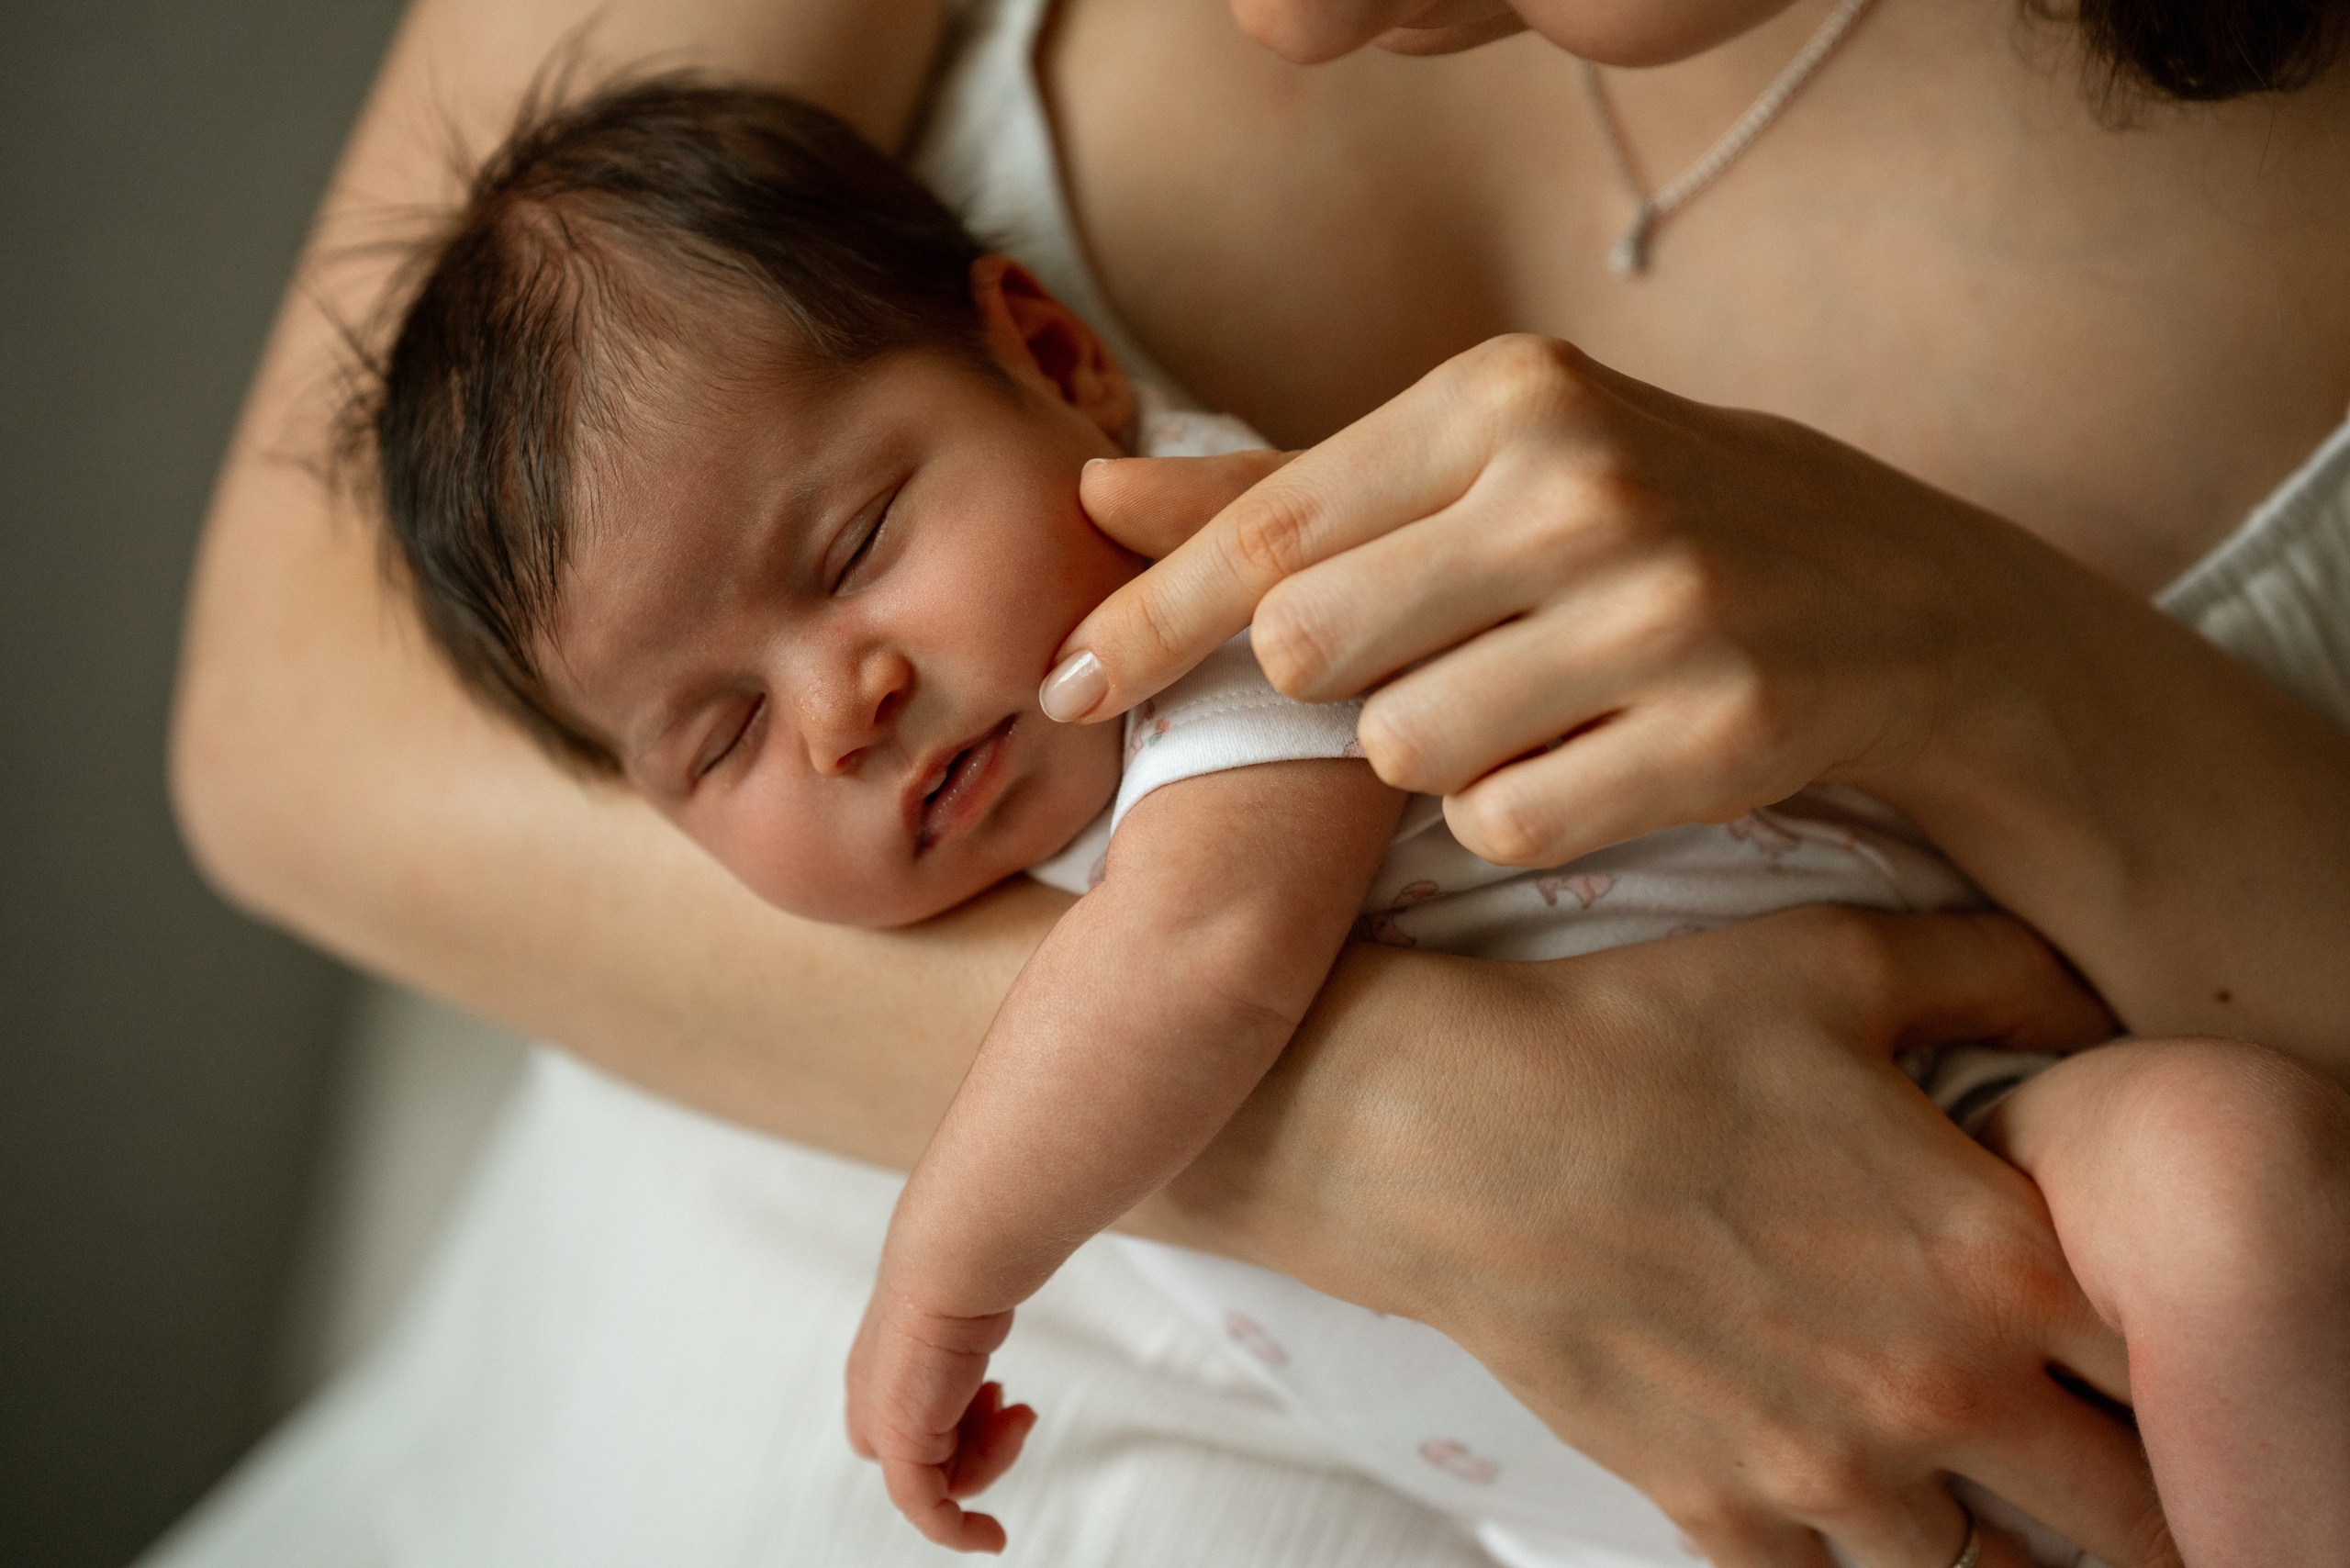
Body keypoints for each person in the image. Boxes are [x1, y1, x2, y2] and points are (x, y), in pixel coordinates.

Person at [161, 2, 2350, 1566]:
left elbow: (1205, 941)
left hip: (1947, 1182)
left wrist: (946, 1278)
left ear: (1044, 353)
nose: (833, 707)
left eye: (846, 553)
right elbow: (289, 728)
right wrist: (1422, 1143)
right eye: (713, 739)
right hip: (624, 1465)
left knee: (2227, 1181)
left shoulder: (1210, 591)